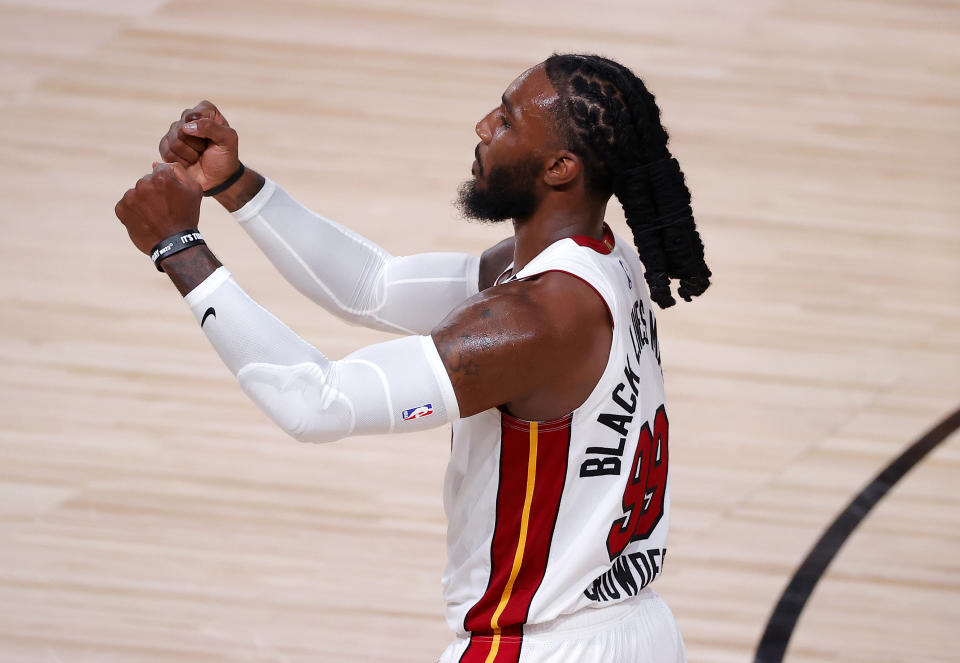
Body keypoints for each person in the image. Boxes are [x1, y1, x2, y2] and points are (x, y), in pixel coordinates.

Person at [115, 53, 710, 663]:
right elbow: (371, 286)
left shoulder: (535, 320)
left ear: (560, 166)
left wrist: (179, 249)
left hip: (540, 645)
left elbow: (313, 402)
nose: (482, 127)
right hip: (637, 632)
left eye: (506, 121)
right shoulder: (601, 260)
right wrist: (235, 184)